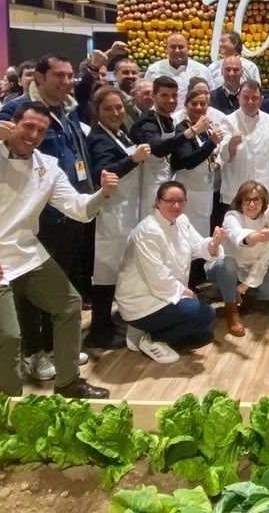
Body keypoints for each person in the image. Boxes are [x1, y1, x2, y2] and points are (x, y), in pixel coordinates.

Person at [0, 102, 115, 398]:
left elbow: (77, 208)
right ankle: (9, 401)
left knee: (69, 304)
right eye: (28, 126)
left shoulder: (46, 167)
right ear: (12, 124)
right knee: (8, 334)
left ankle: (68, 383)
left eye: (41, 130)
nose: (34, 135)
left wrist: (102, 193)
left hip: (25, 252)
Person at [0, 54, 97, 380]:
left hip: (69, 216)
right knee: (30, 293)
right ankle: (34, 353)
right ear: (39, 77)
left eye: (70, 76)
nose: (68, 81)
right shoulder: (21, 108)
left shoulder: (65, 112)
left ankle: (55, 347)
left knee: (59, 290)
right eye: (60, 75)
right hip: (38, 221)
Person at [117, 181, 224, 363]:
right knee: (206, 315)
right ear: (158, 202)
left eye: (181, 201)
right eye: (170, 201)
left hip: (162, 293)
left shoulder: (181, 220)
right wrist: (185, 292)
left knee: (204, 332)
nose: (176, 206)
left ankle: (144, 330)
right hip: (142, 300)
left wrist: (213, 244)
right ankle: (152, 339)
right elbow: (158, 278)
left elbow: (197, 246)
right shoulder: (149, 232)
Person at [85, 87, 153, 349]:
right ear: (97, 112)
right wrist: (133, 159)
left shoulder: (120, 133)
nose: (115, 113)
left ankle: (111, 322)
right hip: (111, 213)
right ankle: (98, 331)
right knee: (106, 273)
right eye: (108, 109)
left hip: (127, 210)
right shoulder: (98, 139)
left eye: (118, 108)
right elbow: (103, 171)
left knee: (119, 268)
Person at [130, 75, 211, 220]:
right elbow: (159, 149)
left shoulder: (170, 120)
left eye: (174, 95)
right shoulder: (146, 122)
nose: (171, 100)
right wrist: (192, 131)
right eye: (164, 95)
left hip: (168, 183)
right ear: (154, 96)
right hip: (148, 188)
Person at [217, 180, 269, 319]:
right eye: (247, 200)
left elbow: (266, 256)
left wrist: (246, 285)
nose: (251, 204)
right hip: (230, 267)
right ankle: (227, 294)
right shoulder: (232, 216)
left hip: (252, 268)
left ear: (264, 201)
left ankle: (242, 295)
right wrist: (258, 236)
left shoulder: (268, 221)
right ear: (240, 201)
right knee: (228, 267)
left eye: (256, 200)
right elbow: (237, 236)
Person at [218, 81, 269, 205]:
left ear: (261, 100)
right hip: (235, 192)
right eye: (246, 97)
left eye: (254, 98)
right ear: (238, 98)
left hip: (264, 191)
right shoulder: (227, 121)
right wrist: (231, 144)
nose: (250, 102)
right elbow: (223, 156)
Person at [171, 88, 225, 236]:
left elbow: (215, 153)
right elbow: (188, 161)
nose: (199, 107)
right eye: (194, 103)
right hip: (188, 191)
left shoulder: (208, 128)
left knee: (203, 232)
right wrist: (211, 143)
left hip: (206, 190)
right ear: (186, 105)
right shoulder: (181, 129)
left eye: (203, 104)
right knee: (187, 233)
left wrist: (217, 161)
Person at [144, 33, 210, 104]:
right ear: (166, 48)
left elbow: (210, 96)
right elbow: (147, 95)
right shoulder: (154, 70)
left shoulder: (202, 70)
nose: (177, 50)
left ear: (188, 48)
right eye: (173, 47)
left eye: (181, 47)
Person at [113, 58, 142, 130]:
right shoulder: (110, 96)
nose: (130, 76)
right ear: (115, 74)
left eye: (134, 73)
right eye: (125, 72)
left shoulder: (145, 96)